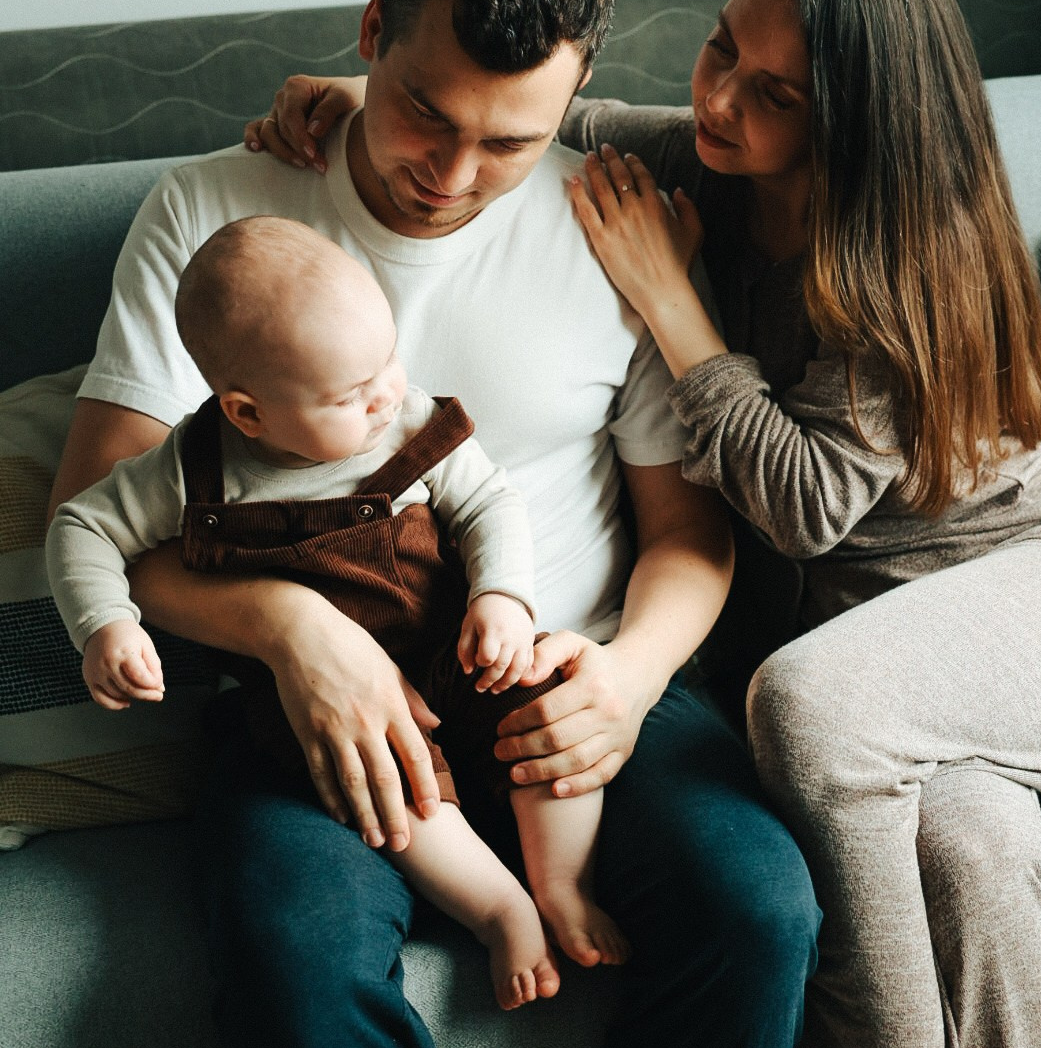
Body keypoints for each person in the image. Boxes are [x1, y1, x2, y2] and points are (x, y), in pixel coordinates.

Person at [270, 0, 1041, 1048]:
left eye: (772, 94)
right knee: (976, 851)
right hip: (893, 656)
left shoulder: (905, 252)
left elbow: (810, 506)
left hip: (1032, 593)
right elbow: (549, 120)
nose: (718, 99)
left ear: (856, 121)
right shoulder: (706, 157)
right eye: (719, 50)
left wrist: (674, 305)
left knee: (806, 712)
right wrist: (339, 99)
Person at [49, 0, 820, 1048]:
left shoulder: (609, 224)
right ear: (367, 35)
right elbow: (104, 522)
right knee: (294, 964)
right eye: (422, 111)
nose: (451, 174)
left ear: (576, 97)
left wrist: (627, 684)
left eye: (510, 139)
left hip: (568, 675)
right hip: (308, 717)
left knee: (763, 914)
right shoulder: (214, 213)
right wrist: (297, 636)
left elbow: (690, 538)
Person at [47, 215, 633, 1007]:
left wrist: (502, 596)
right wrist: (105, 623)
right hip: (329, 706)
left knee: (541, 717)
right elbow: (82, 524)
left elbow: (489, 502)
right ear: (248, 413)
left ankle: (563, 885)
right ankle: (501, 910)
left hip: (454, 645)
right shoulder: (193, 471)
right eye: (353, 395)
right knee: (392, 791)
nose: (387, 395)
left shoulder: (409, 419)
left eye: (388, 359)